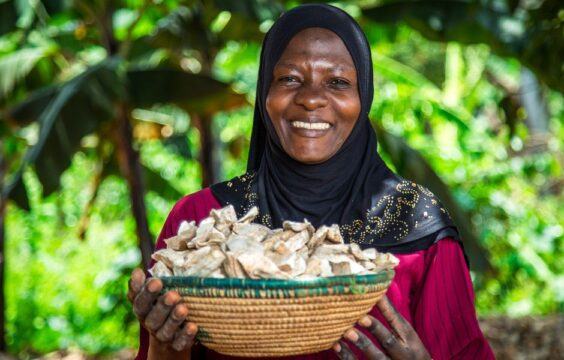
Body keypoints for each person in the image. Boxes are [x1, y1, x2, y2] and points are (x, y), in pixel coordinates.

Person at [127, 4, 495, 360]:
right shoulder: (201, 220)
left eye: (337, 82)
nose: (312, 99)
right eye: (289, 79)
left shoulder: (413, 220)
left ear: (362, 95)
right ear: (264, 93)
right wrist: (165, 347)